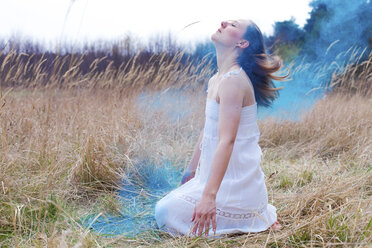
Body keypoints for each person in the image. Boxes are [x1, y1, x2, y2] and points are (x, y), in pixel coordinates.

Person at [154, 18, 288, 238]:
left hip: (237, 187)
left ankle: (253, 218)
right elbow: (209, 129)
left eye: (233, 25)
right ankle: (253, 217)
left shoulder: (233, 81)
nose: (224, 22)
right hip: (216, 180)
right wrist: (191, 170)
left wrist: (208, 198)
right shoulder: (217, 79)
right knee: (166, 206)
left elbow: (227, 140)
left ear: (242, 43)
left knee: (165, 211)